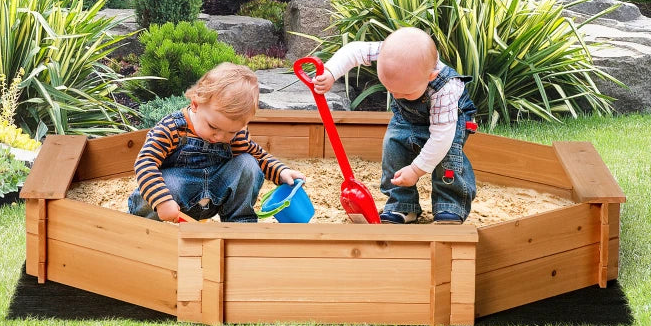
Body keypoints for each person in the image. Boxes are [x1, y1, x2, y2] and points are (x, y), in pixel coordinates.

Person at [313, 27, 476, 224]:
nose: (397, 96)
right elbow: (354, 51)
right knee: (393, 146)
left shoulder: (447, 89)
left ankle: (450, 206)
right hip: (407, 118)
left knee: (449, 159)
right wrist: (330, 72)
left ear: (430, 77)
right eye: (390, 90)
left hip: (450, 122)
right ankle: (402, 205)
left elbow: (441, 138)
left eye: (405, 93)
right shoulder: (389, 52)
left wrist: (416, 170)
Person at [128, 63, 306, 223]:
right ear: (196, 105)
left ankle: (239, 223)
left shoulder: (235, 136)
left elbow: (258, 156)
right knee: (166, 185)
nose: (220, 137)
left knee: (248, 164)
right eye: (213, 127)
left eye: (232, 132)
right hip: (170, 205)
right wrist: (162, 200)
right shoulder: (172, 129)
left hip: (212, 196)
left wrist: (282, 171)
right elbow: (145, 163)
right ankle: (144, 225)